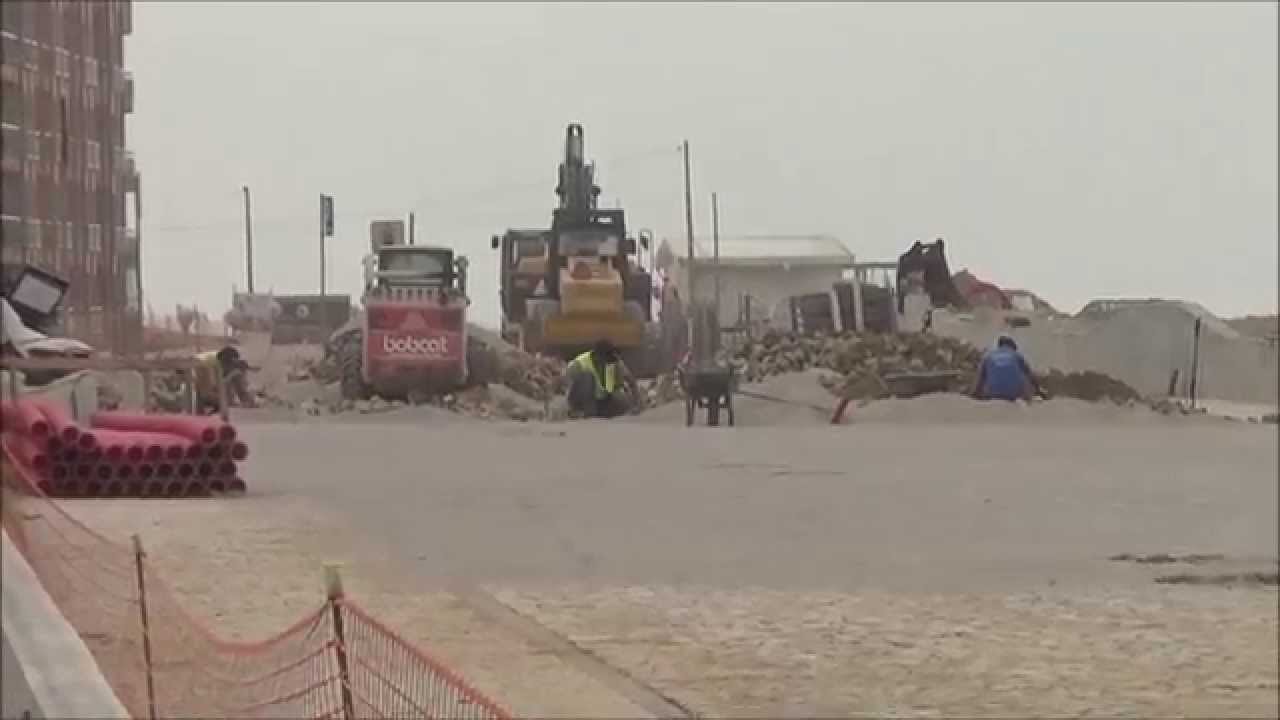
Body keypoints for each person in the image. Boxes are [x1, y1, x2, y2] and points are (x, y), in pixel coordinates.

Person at [565, 339, 637, 419]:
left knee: (623, 403)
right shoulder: (580, 363)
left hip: (601, 401)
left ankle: (597, 413)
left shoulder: (614, 361)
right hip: (582, 400)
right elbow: (568, 385)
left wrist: (637, 401)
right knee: (587, 376)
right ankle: (582, 412)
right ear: (598, 355)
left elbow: (631, 380)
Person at [972, 334, 1044, 402]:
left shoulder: (988, 356)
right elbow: (1030, 375)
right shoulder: (1016, 355)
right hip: (1014, 393)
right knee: (1023, 376)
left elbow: (980, 379)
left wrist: (974, 395)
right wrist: (1038, 390)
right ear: (1012, 346)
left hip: (993, 393)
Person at [194, 344, 258, 412]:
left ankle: (246, 400)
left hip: (212, 384)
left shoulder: (221, 358)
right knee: (233, 376)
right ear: (226, 363)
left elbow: (237, 368)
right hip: (203, 383)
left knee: (235, 374)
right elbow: (214, 387)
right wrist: (230, 376)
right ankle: (243, 399)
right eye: (230, 365)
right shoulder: (208, 364)